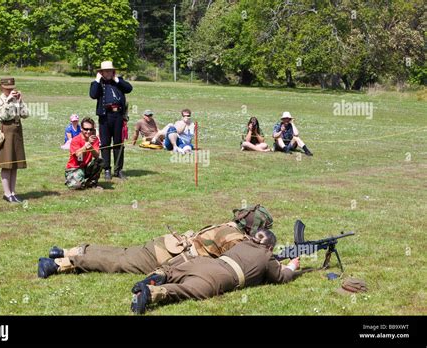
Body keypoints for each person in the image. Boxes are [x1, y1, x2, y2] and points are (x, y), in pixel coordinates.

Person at [37, 205, 274, 279]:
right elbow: (244, 263)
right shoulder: (234, 238)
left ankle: (64, 250)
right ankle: (60, 263)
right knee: (116, 262)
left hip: (167, 246)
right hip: (167, 256)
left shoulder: (229, 227)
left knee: (121, 253)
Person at [130, 229, 300, 314]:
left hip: (206, 263)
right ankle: (150, 292)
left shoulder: (242, 243)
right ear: (270, 247)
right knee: (187, 290)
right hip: (219, 278)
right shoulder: (267, 256)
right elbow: (280, 277)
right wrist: (292, 266)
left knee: (174, 272)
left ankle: (159, 276)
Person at [90, 61, 133, 181]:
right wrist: (97, 80)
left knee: (118, 143)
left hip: (118, 116)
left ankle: (118, 170)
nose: (108, 73)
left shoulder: (119, 81)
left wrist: (117, 79)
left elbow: (129, 88)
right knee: (105, 144)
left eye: (110, 70)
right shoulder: (98, 83)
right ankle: (107, 169)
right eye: (105, 71)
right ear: (101, 72)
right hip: (105, 116)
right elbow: (93, 95)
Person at [0, 77, 29, 203]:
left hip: (17, 132)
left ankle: (13, 192)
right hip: (5, 131)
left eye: (12, 88)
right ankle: (7, 193)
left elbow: (25, 114)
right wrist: (8, 101)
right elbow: (3, 115)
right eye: (7, 89)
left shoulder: (15, 99)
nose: (10, 91)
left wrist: (20, 101)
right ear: (1, 87)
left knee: (15, 165)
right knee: (6, 165)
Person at [64, 117, 103, 190]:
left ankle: (92, 183)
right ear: (81, 129)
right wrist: (86, 146)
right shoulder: (75, 140)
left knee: (100, 161)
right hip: (74, 168)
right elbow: (78, 156)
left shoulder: (94, 139)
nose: (88, 131)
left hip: (85, 167)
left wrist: (91, 147)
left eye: (90, 129)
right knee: (77, 187)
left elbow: (97, 156)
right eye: (86, 129)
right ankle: (72, 179)